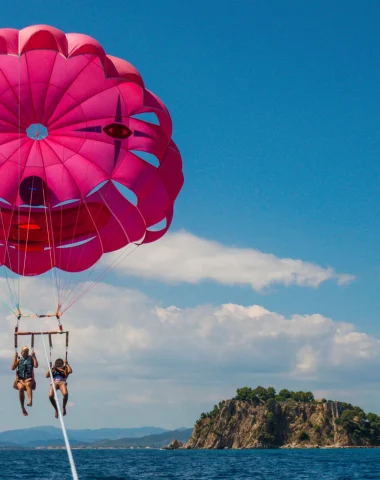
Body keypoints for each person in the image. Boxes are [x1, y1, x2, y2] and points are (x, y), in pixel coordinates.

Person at [11, 346, 38, 417]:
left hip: (29, 379)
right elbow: (13, 368)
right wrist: (15, 357)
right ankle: (23, 408)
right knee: (21, 388)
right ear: (21, 352)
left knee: (28, 384)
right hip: (20, 379)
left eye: (27, 352)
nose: (25, 354)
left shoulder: (31, 358)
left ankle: (30, 401)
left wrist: (34, 357)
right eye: (24, 352)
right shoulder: (19, 360)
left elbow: (35, 366)